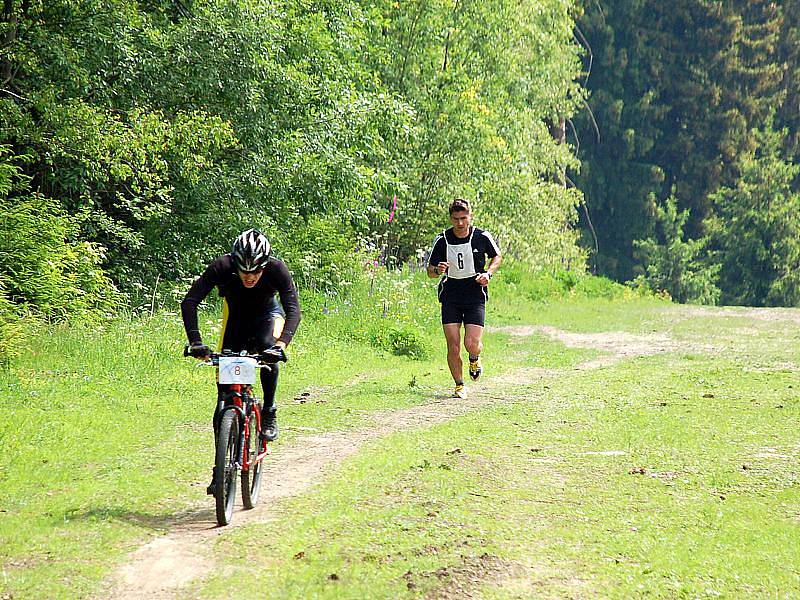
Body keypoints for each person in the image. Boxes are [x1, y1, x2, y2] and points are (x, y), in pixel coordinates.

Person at [181, 229, 301, 491]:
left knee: (270, 350)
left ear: (265, 265)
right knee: (224, 397)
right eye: (244, 272)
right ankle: (219, 469)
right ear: (235, 264)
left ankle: (268, 410)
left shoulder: (277, 269)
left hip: (268, 317)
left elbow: (293, 308)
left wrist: (282, 345)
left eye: (256, 272)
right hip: (235, 322)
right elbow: (190, 301)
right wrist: (196, 342)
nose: (250, 277)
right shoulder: (221, 267)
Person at [427, 198, 501, 399]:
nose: (460, 223)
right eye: (455, 219)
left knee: (471, 343)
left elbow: (497, 256)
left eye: (463, 218)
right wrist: (437, 269)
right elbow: (430, 272)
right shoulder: (442, 240)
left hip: (475, 293)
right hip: (451, 295)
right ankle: (459, 384)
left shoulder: (481, 236)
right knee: (453, 344)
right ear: (451, 218)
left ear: (470, 216)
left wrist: (488, 274)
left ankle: (474, 358)